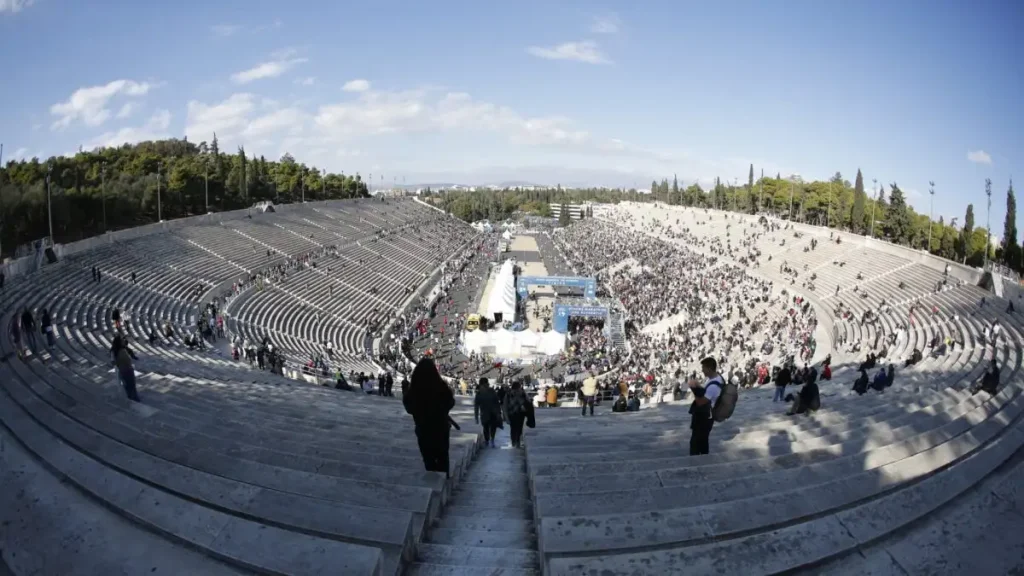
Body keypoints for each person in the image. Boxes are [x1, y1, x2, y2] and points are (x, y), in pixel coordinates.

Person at [403, 358, 455, 476]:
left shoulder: (414, 389)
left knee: (428, 460)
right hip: (440, 428)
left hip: (423, 429)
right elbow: (450, 402)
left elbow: (409, 407)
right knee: (443, 457)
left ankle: (434, 482)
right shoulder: (441, 386)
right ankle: (445, 483)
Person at [474, 377, 502, 448]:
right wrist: (476, 417)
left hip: (493, 412)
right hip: (484, 413)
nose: (486, 385)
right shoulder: (479, 394)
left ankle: (492, 439)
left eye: (486, 384)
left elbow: (496, 402)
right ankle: (487, 440)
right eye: (484, 385)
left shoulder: (492, 391)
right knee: (485, 428)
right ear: (481, 385)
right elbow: (476, 406)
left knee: (493, 427)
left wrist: (498, 412)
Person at [111, 334, 140, 401]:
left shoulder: (117, 350)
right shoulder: (120, 351)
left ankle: (131, 397)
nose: (124, 341)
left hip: (124, 369)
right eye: (122, 340)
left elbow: (113, 362)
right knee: (130, 385)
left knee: (128, 385)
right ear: (119, 342)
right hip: (126, 369)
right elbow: (126, 360)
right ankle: (134, 398)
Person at [504, 380, 530, 448]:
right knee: (517, 428)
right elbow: (528, 402)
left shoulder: (510, 394)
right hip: (517, 414)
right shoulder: (512, 394)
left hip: (515, 414)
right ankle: (516, 442)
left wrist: (506, 417)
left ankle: (515, 442)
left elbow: (505, 406)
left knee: (515, 429)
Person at [688, 384, 713, 455]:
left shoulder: (700, 406)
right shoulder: (706, 403)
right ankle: (704, 456)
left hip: (699, 428)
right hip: (704, 428)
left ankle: (696, 458)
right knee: (704, 442)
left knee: (695, 443)